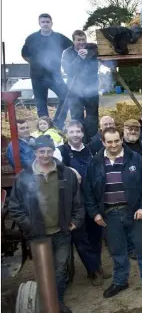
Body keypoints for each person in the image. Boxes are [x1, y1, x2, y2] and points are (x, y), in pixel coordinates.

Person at [8, 135, 84, 313]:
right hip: (38, 234)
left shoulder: (65, 173)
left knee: (60, 269)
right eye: (42, 151)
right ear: (35, 153)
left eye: (49, 151)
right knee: (44, 271)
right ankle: (47, 305)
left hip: (62, 231)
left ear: (53, 152)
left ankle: (56, 303)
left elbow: (77, 201)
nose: (45, 155)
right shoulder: (25, 176)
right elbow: (15, 207)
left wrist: (75, 221)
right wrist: (30, 226)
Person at [84, 127, 142, 299]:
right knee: (117, 251)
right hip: (109, 215)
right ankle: (120, 281)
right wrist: (95, 213)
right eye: (109, 141)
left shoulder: (135, 159)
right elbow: (87, 191)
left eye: (117, 140)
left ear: (121, 140)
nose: (113, 145)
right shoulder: (95, 162)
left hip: (134, 213)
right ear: (103, 142)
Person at [53, 120, 109, 286]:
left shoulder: (92, 149)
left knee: (96, 235)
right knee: (81, 237)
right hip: (73, 202)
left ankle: (97, 265)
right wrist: (70, 170)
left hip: (92, 198)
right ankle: (93, 270)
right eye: (71, 132)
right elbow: (54, 167)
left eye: (78, 131)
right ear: (66, 134)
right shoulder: (60, 151)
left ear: (83, 133)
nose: (75, 135)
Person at [21, 13, 73, 123]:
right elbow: (25, 54)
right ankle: (45, 128)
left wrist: (66, 63)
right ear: (39, 23)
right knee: (41, 104)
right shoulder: (31, 38)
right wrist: (35, 63)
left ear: (51, 23)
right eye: (43, 22)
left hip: (55, 76)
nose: (45, 24)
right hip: (37, 77)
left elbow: (72, 48)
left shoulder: (59, 37)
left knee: (67, 97)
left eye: (47, 22)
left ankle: (58, 123)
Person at [61, 29, 99, 141]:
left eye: (83, 39)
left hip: (91, 88)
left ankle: (91, 140)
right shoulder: (67, 52)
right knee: (77, 116)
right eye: (78, 40)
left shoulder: (92, 47)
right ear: (73, 41)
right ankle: (81, 140)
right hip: (74, 89)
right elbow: (68, 71)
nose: (81, 42)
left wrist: (89, 53)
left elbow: (101, 51)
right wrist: (79, 58)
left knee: (92, 116)